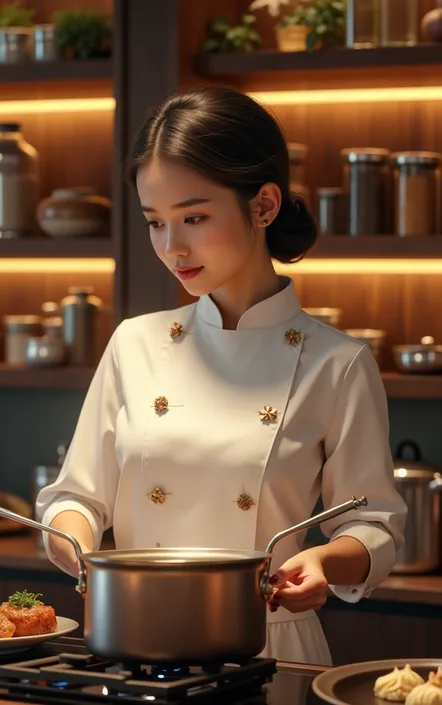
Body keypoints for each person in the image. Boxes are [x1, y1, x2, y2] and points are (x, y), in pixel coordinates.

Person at [37, 85, 407, 665]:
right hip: (134, 639)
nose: (171, 246)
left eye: (193, 217)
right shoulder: (133, 342)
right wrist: (80, 546)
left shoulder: (338, 362)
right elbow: (74, 498)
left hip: (268, 643)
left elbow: (375, 524)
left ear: (263, 205)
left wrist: (324, 561)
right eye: (154, 222)